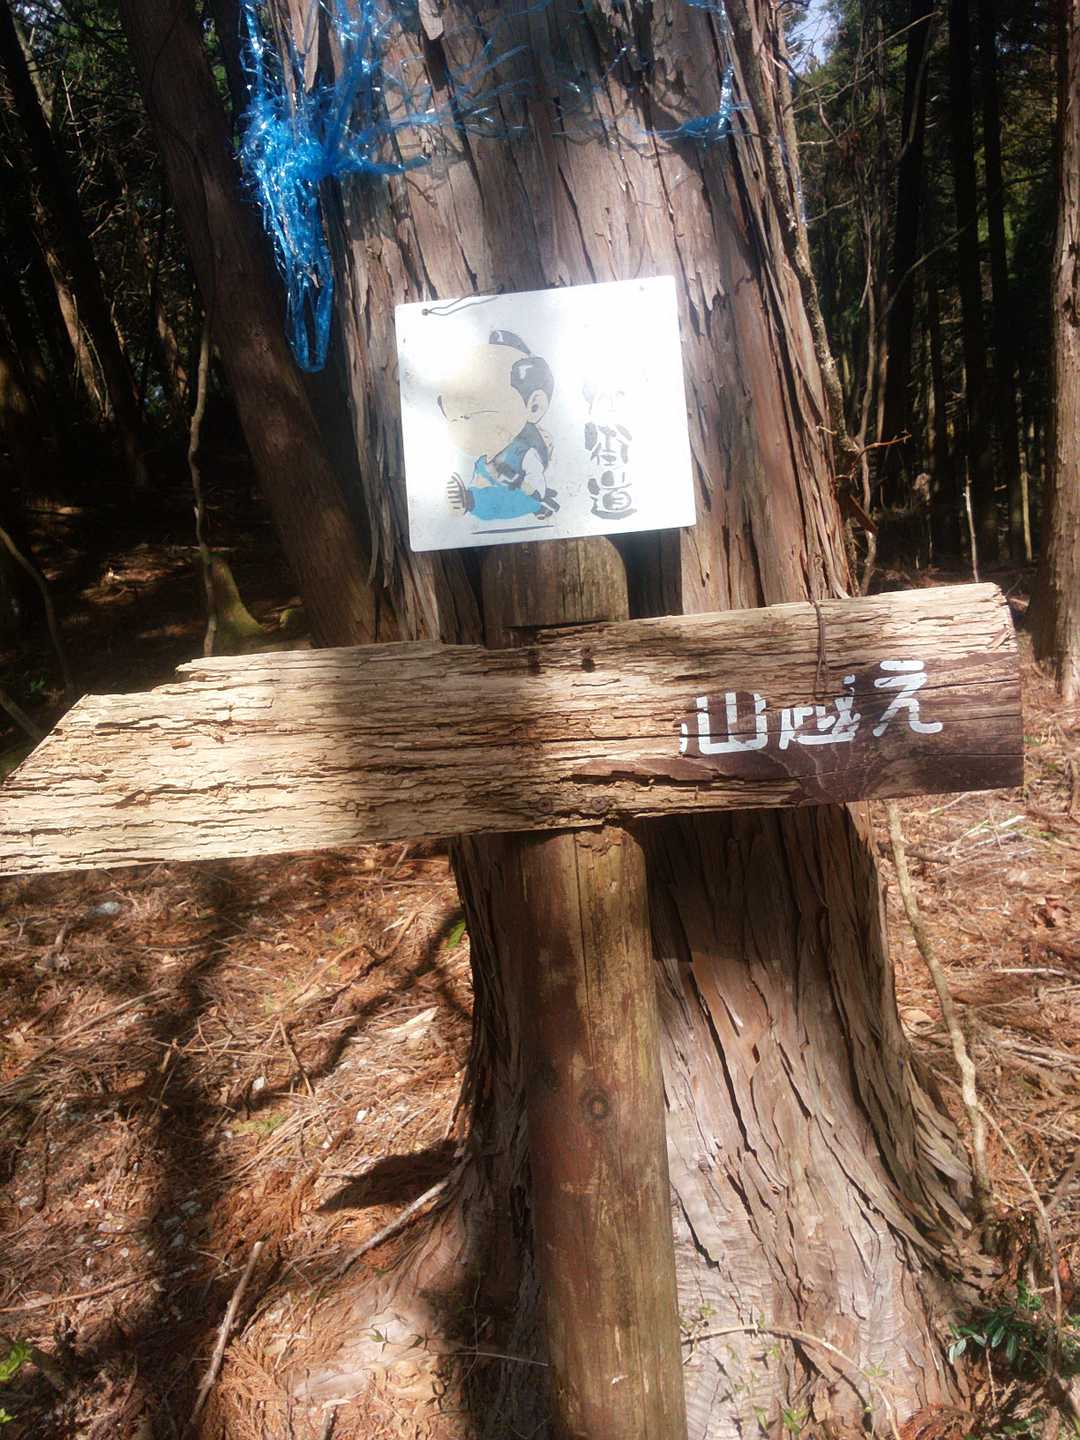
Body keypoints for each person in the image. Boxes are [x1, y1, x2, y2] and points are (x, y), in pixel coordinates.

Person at [439, 330, 560, 522]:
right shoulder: (489, 451)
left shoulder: (526, 450)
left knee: (496, 499)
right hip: (489, 492)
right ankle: (468, 499)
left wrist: (509, 478)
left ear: (534, 406)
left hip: (521, 496)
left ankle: (469, 501)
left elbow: (537, 488)